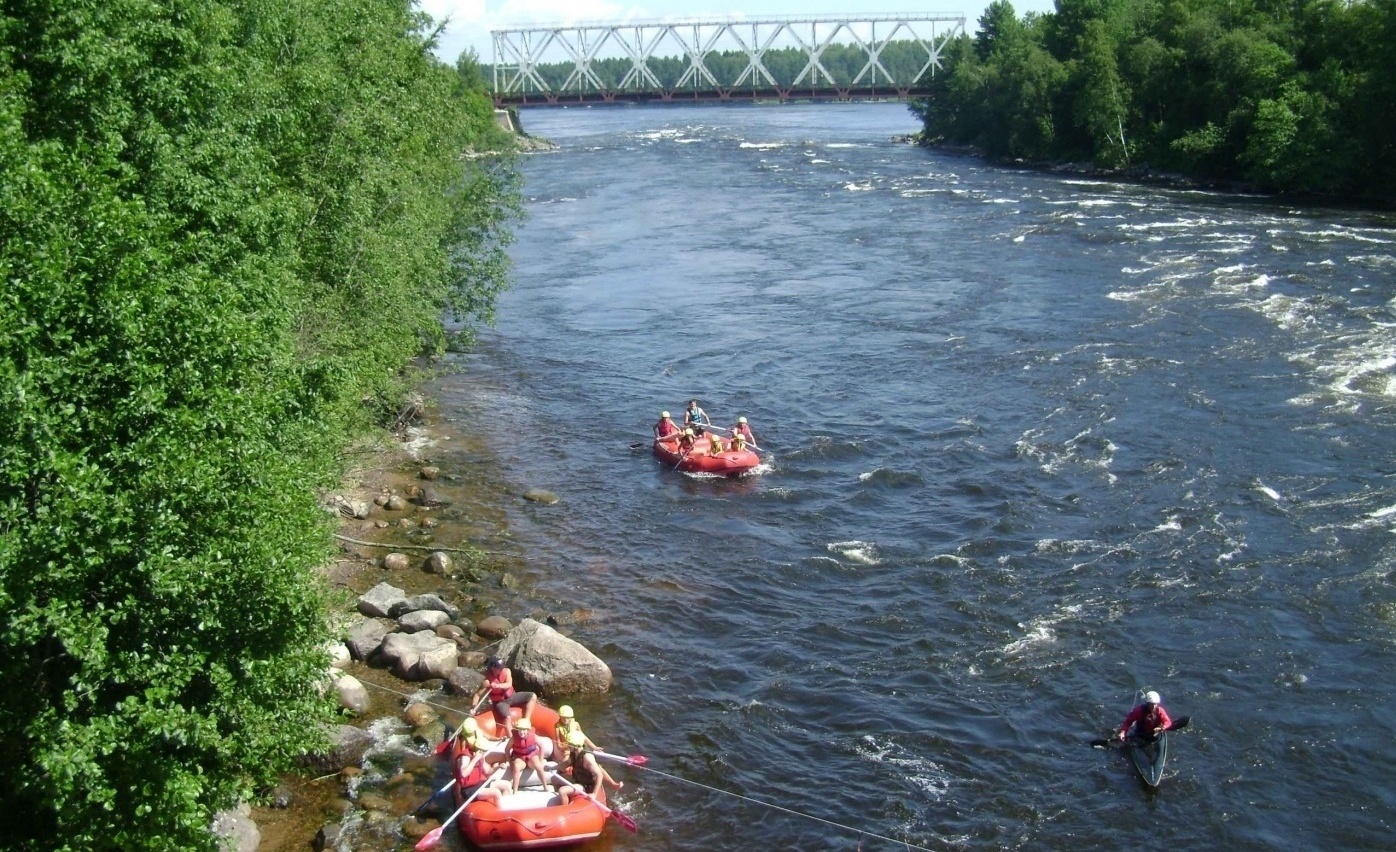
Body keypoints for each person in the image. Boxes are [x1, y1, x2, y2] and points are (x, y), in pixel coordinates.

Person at [471, 657, 537, 737]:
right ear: (493, 668)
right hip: (500, 702)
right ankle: (510, 737)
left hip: (512, 696)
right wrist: (473, 707)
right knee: (507, 717)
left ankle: (526, 721)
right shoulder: (487, 682)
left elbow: (509, 684)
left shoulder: (507, 671)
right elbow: (477, 695)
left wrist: (497, 686)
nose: (501, 669)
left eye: (502, 667)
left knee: (532, 696)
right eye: (499, 668)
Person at [555, 730, 622, 803]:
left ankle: (565, 810)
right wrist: (552, 768)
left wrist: (594, 794)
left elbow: (599, 775)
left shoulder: (587, 758)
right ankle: (567, 798)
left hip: (586, 785)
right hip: (577, 779)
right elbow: (566, 764)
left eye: (569, 744)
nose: (567, 745)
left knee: (562, 791)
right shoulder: (574, 752)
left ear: (576, 746)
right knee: (554, 779)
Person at [506, 717, 553, 795]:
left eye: (524, 730)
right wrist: (510, 762)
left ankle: (545, 786)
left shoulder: (534, 737)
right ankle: (515, 790)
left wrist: (541, 760)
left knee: (539, 766)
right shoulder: (513, 738)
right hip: (519, 757)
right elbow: (506, 750)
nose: (521, 732)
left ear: (528, 730)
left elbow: (541, 747)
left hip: (531, 756)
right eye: (520, 730)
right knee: (516, 767)